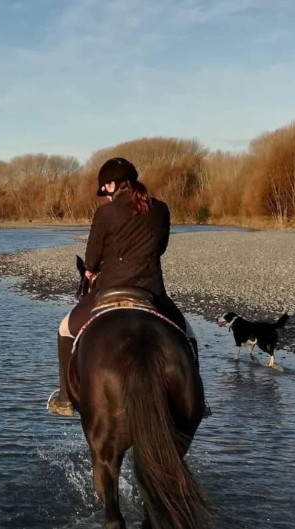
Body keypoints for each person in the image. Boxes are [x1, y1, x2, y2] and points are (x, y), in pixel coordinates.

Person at [48, 157, 203, 417]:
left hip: (109, 288)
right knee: (187, 336)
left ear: (112, 185)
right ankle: (198, 402)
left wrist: (90, 270)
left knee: (64, 330)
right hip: (151, 291)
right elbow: (160, 248)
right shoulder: (161, 209)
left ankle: (65, 399)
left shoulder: (105, 213)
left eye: (104, 189)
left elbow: (92, 259)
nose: (105, 196)